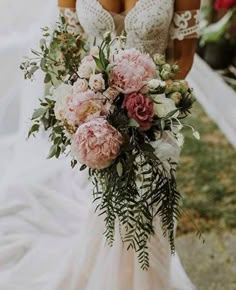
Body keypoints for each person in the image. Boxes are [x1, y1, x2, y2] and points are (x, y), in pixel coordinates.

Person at [0, 0, 200, 289]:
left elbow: (184, 58)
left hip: (154, 117)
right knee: (108, 208)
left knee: (149, 208)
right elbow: (66, 46)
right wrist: (83, 104)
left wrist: (151, 106)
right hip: (98, 120)